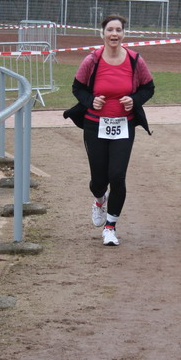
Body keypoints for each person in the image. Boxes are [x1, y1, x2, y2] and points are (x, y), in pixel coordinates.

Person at [63, 14, 155, 246]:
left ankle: (110, 228)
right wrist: (90, 101)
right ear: (102, 33)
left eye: (118, 30)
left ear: (124, 34)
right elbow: (77, 88)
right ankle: (99, 199)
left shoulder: (135, 60)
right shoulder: (92, 60)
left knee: (117, 176)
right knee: (99, 180)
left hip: (123, 126)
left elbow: (148, 88)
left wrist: (134, 100)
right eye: (110, 30)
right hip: (95, 125)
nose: (114, 34)